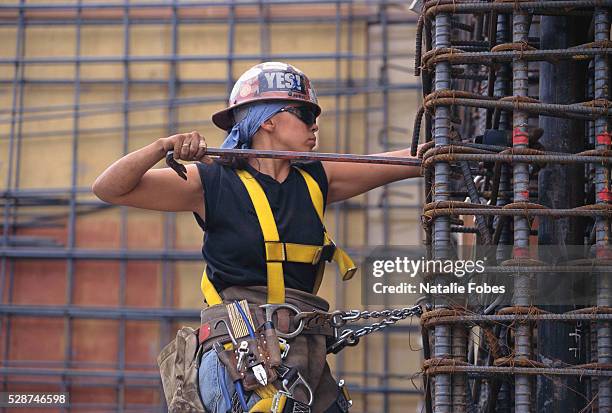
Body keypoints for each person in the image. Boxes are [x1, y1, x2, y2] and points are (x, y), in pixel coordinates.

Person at [92, 62, 422, 413]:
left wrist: (467, 147)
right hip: (239, 356)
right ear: (268, 120)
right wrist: (162, 147)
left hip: (302, 353)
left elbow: (408, 161)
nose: (314, 125)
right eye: (304, 113)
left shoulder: (315, 179)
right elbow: (109, 189)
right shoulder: (212, 182)